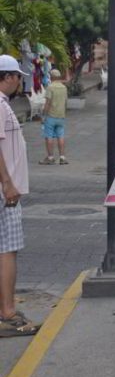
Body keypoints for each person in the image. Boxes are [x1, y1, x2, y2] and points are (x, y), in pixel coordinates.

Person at [0, 55, 41, 336]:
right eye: (17, 77)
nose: (19, 82)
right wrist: (8, 183)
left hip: (6, 188)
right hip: (5, 192)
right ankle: (8, 312)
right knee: (7, 250)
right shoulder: (0, 106)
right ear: (8, 77)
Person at [40, 69, 68, 165]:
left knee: (49, 136)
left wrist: (43, 115)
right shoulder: (64, 88)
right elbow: (65, 103)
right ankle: (62, 157)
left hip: (51, 116)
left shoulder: (50, 87)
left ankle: (50, 157)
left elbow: (47, 103)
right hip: (61, 116)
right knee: (61, 136)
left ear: (51, 77)